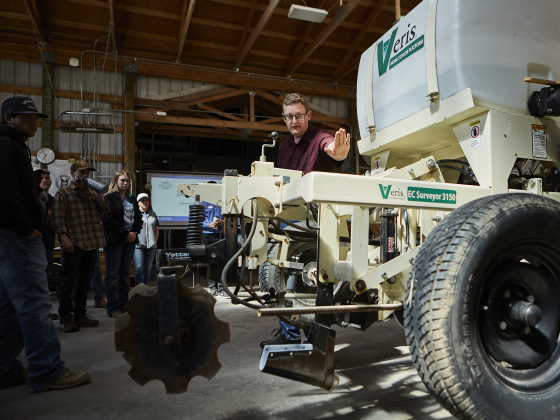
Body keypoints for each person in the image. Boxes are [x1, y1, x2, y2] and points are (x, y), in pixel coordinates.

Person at [0, 96, 90, 391]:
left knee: (8, 307)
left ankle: (5, 368)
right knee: (36, 306)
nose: (33, 121)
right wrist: (27, 230)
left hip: (9, 239)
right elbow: (7, 196)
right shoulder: (7, 145)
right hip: (17, 239)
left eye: (35, 117)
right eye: (25, 116)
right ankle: (47, 371)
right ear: (7, 117)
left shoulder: (14, 146)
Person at [260, 92, 350, 348]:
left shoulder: (320, 137)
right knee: (282, 282)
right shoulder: (285, 147)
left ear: (308, 115)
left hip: (319, 223)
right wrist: (274, 219)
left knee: (312, 285)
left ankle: (315, 342)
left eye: (298, 115)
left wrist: (339, 152)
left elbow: (333, 148)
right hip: (290, 221)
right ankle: (290, 339)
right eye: (288, 116)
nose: (293, 121)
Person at [52, 160, 108, 332]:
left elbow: (104, 211)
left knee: (84, 282)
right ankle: (65, 317)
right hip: (73, 243)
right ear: (72, 174)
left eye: (87, 173)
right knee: (68, 281)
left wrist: (100, 194)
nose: (85, 175)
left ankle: (80, 314)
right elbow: (57, 218)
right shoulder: (64, 192)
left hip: (91, 242)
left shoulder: (91, 193)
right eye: (82, 172)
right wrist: (64, 238)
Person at [102, 171, 142, 317]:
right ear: (116, 181)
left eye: (127, 181)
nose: (125, 183)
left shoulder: (131, 198)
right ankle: (113, 308)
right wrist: (125, 234)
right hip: (114, 240)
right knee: (112, 274)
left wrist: (134, 233)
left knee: (124, 275)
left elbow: (139, 218)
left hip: (130, 240)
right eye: (122, 180)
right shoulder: (109, 198)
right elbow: (108, 220)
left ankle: (124, 305)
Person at [34, 168, 58, 321]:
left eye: (47, 178)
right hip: (35, 243)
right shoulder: (33, 197)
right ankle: (38, 313)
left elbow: (55, 218)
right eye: (42, 178)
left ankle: (46, 311)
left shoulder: (53, 199)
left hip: (49, 243)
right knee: (36, 278)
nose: (45, 180)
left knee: (46, 277)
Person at [201, 181, 228, 298]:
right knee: (209, 261)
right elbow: (197, 221)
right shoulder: (203, 203)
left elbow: (229, 218)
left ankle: (222, 288)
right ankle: (212, 288)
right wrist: (209, 225)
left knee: (221, 261)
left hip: (220, 235)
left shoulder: (222, 202)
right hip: (207, 235)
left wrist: (223, 222)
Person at [134, 193, 159, 286]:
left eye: (146, 200)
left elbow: (156, 229)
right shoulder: (135, 214)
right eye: (142, 201)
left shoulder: (153, 214)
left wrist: (155, 241)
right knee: (139, 268)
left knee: (147, 269)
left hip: (151, 245)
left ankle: (145, 287)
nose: (145, 202)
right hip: (138, 245)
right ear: (138, 203)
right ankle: (138, 289)